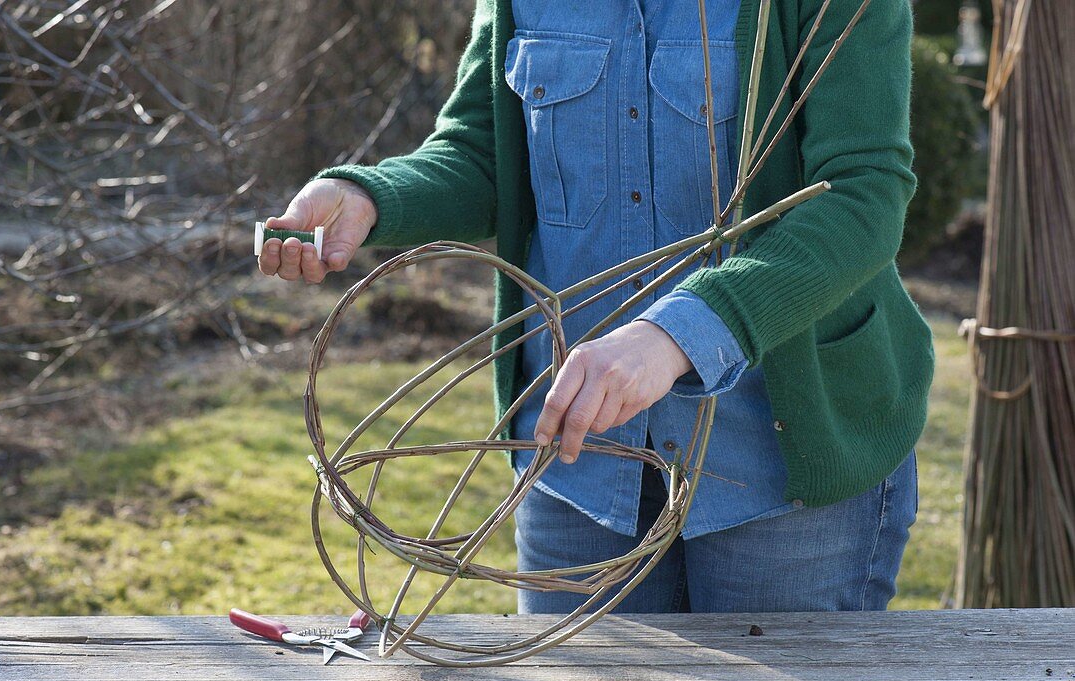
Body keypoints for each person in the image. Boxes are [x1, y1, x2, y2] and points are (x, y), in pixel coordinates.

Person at [257, 0, 934, 614]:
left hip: (779, 474)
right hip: (578, 462)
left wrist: (676, 337)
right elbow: (484, 152)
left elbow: (859, 195)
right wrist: (371, 197)